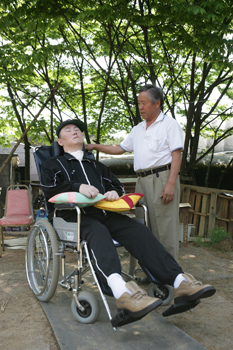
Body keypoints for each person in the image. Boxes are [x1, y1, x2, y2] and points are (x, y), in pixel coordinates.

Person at [40, 119, 215, 322]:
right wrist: (77, 186)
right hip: (73, 216)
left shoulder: (96, 165)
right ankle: (122, 293)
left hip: (105, 213)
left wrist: (114, 191)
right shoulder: (52, 164)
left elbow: (118, 186)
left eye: (78, 129)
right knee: (98, 233)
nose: (75, 132)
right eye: (69, 130)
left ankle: (179, 281)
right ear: (60, 142)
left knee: (138, 230)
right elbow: (49, 188)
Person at [86, 84, 183, 262]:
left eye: (144, 102)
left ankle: (172, 276)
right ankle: (152, 270)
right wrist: (94, 146)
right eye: (138, 103)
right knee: (144, 226)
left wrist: (170, 183)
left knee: (164, 227)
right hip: (142, 181)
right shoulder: (138, 128)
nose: (140, 107)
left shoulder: (169, 125)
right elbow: (119, 148)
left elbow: (176, 154)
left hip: (162, 178)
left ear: (157, 103)